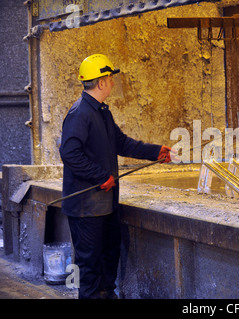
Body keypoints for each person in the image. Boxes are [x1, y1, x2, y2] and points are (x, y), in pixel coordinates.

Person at [59, 54, 172, 299]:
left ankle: (107, 296)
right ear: (101, 82)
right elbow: (69, 153)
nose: (112, 83)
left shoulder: (101, 111)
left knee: (109, 257)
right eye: (110, 78)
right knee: (89, 266)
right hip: (86, 207)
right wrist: (101, 176)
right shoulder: (80, 113)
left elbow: (120, 142)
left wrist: (154, 152)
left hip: (105, 204)